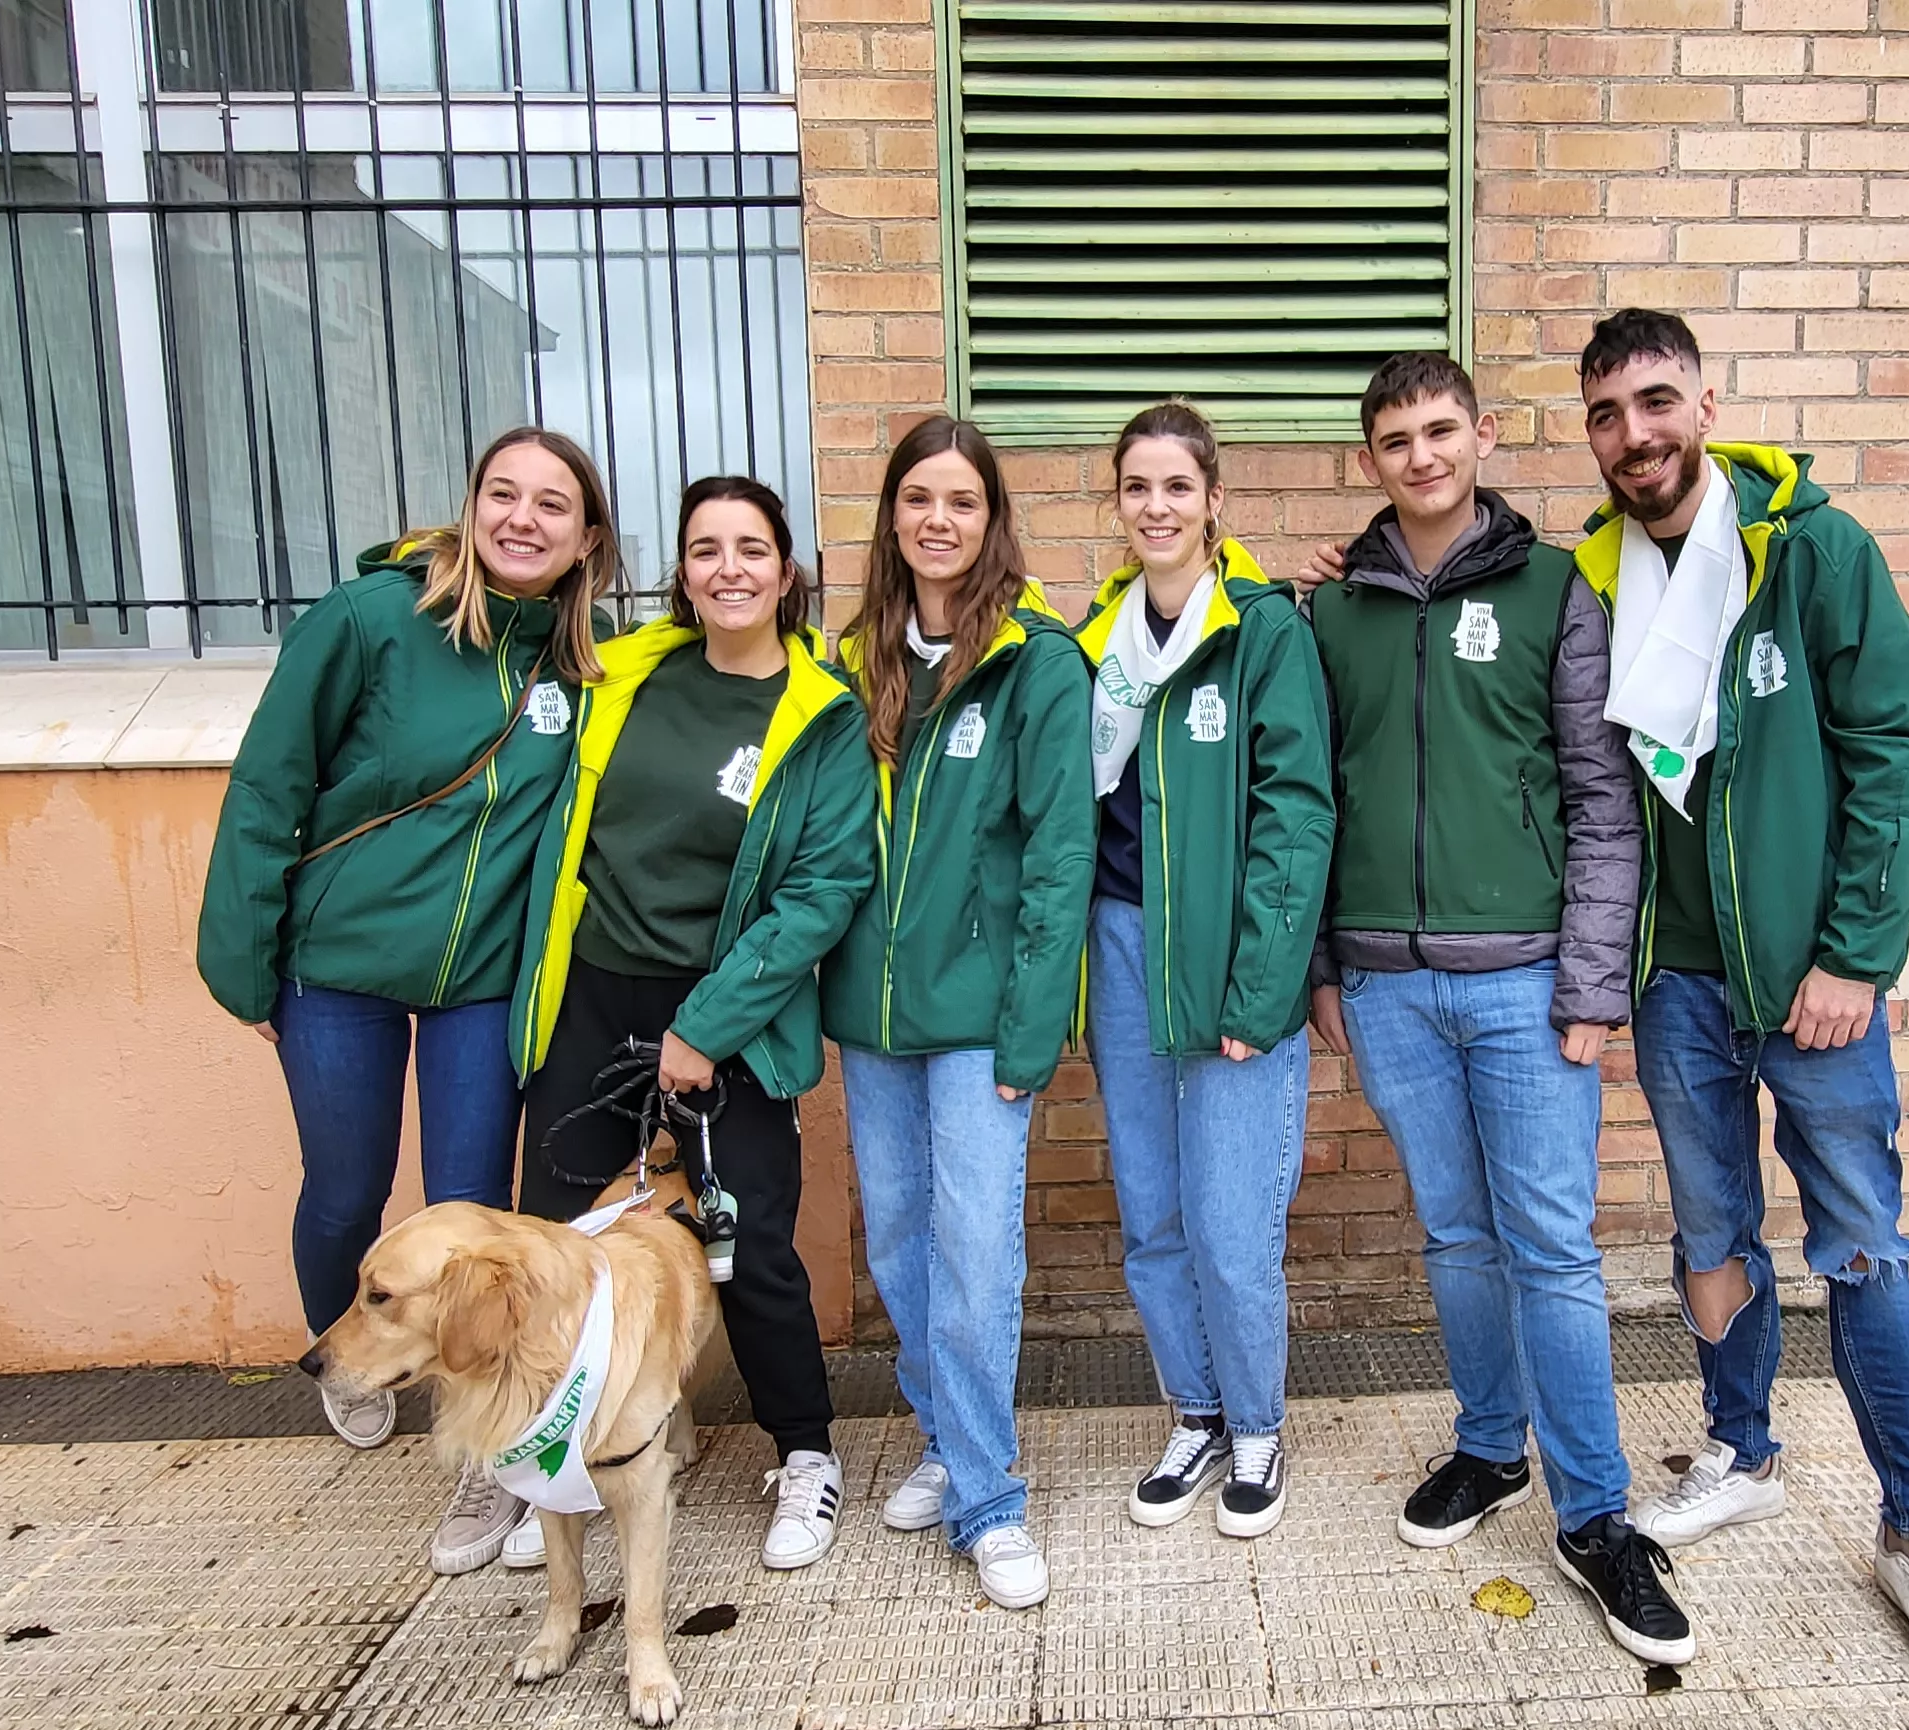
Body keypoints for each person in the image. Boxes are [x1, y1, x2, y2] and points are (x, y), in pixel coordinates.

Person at [1575, 308, 1909, 1697]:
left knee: (1863, 1247)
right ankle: (1742, 1451)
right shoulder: (1594, 571)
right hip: (1680, 981)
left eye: (1655, 403)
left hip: (1813, 983)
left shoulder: (1812, 550)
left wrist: (1858, 953)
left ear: (1705, 400)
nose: (1634, 436)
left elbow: (1894, 746)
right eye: (1607, 415)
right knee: (1710, 1230)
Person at [1298, 354, 1680, 1665]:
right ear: (1370, 459)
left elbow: (1600, 799)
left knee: (1552, 1249)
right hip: (1391, 988)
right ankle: (1486, 1447)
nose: (1420, 456)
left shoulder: (1553, 590)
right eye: (1395, 439)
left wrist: (1588, 985)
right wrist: (1322, 970)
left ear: (1484, 435)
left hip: (1524, 989)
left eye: (1441, 430)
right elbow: (1315, 808)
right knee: (1458, 1240)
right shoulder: (1332, 614)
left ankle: (1599, 1516)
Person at [196, 428, 617, 1575]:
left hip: (483, 980)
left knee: (474, 1221)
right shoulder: (370, 619)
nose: (522, 519)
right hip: (338, 967)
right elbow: (270, 779)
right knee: (347, 1191)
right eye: (503, 494)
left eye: (551, 506)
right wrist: (243, 958)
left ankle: (485, 1469)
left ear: (588, 539)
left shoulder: (584, 665)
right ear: (470, 503)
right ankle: (347, 1345)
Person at [499, 475, 879, 1581]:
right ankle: (557, 1469)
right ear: (681, 570)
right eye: (705, 550)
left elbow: (824, 884)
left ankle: (805, 1454)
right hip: (593, 996)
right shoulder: (623, 674)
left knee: (746, 1245)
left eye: (751, 550)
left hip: (727, 1015)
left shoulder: (820, 712)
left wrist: (704, 1028)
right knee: (563, 1242)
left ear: (787, 571)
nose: (728, 570)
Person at [821, 418, 1096, 1609]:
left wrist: (1034, 1025)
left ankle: (988, 1498)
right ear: (893, 517)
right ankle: (944, 1434)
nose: (939, 520)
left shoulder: (1034, 659)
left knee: (976, 1252)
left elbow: (1058, 859)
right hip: (872, 1016)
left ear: (991, 521)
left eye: (963, 502)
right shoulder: (849, 661)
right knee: (898, 1240)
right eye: (918, 499)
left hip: (984, 1014)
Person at [1078, 401, 1336, 1548]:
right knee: (1152, 1216)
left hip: (1234, 955)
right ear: (1118, 502)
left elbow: (1295, 815)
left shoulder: (1263, 632)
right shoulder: (1097, 638)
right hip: (1125, 947)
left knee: (1233, 1227)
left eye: (1177, 486)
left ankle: (1259, 1429)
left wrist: (1264, 985)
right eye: (1137, 486)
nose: (1157, 507)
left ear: (1213, 500)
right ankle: (1194, 1412)